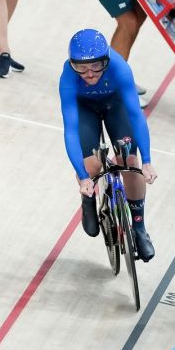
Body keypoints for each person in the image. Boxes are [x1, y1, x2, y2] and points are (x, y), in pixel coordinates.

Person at [59, 29, 157, 261]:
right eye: (81, 67)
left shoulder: (120, 68)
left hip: (115, 106)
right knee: (91, 167)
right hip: (85, 109)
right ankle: (88, 199)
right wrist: (83, 177)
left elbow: (135, 115)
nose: (89, 74)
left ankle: (139, 228)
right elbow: (71, 129)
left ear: (107, 61)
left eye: (96, 66)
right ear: (73, 64)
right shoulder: (68, 76)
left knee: (129, 162)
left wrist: (148, 161)